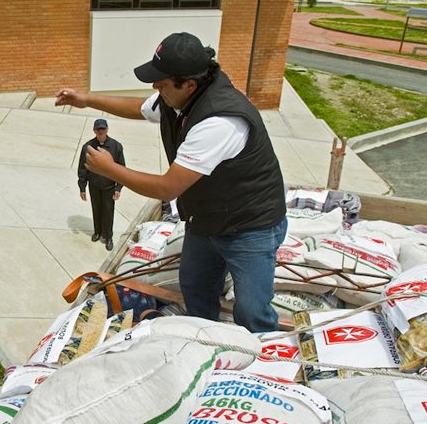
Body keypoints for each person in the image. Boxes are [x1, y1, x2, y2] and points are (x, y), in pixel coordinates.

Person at [55, 32, 286, 332]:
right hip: (206, 218)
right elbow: (139, 108)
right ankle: (205, 341)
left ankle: (259, 361)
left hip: (250, 225)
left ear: (188, 84)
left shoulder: (219, 121)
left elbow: (168, 188)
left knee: (252, 309)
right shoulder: (179, 96)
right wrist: (87, 99)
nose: (155, 87)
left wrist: (109, 170)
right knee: (196, 288)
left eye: (161, 83)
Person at [78, 118, 125, 251]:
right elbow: (82, 168)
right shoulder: (88, 147)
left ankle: (108, 237)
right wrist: (82, 187)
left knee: (108, 212)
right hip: (94, 185)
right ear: (94, 131)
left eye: (103, 129)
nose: (101, 131)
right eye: (98, 129)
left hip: (109, 187)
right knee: (96, 209)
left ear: (107, 130)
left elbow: (121, 168)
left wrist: (118, 187)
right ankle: (97, 232)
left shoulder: (116, 146)